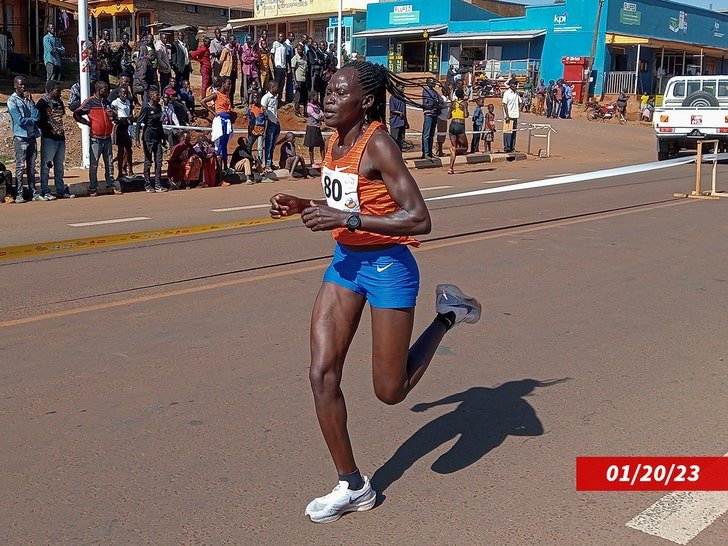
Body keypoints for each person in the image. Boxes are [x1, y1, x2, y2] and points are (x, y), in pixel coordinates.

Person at [267, 60, 481, 524]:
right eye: (327, 90)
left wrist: (347, 220)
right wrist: (304, 205)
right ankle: (352, 484)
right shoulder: (332, 140)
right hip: (345, 263)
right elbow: (349, 202)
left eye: (339, 92)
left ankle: (447, 314)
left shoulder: (378, 143)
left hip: (389, 268)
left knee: (390, 391)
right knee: (321, 374)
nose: (328, 98)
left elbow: (420, 219)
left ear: (363, 102)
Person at [74, 80, 122, 196]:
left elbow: (114, 115)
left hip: (107, 137)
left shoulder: (107, 102)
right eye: (104, 90)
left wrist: (113, 114)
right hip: (95, 138)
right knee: (94, 163)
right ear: (98, 90)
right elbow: (77, 113)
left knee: (109, 163)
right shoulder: (90, 102)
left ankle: (110, 184)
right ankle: (93, 187)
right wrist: (86, 122)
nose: (106, 92)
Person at [8, 76, 42, 203]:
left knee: (31, 166)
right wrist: (32, 120)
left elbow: (37, 116)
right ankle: (19, 193)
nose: (23, 87)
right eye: (21, 85)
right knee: (20, 166)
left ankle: (33, 192)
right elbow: (19, 120)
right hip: (20, 137)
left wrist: (32, 102)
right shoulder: (12, 101)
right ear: (15, 85)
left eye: (25, 85)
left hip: (32, 136)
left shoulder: (28, 99)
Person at [37, 80, 72, 199]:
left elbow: (61, 117)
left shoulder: (59, 102)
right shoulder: (42, 103)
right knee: (46, 165)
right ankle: (45, 190)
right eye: (58, 90)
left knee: (59, 165)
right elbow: (39, 121)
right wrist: (49, 130)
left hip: (60, 137)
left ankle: (60, 189)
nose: (60, 93)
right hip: (49, 139)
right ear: (50, 90)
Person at [135, 86, 166, 192]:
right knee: (148, 161)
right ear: (152, 97)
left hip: (157, 137)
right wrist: (137, 139)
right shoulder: (146, 108)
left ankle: (158, 184)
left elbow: (160, 124)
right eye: (157, 95)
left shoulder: (159, 107)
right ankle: (148, 184)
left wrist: (163, 137)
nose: (159, 97)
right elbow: (139, 123)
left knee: (159, 161)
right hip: (148, 138)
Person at [202, 77, 235, 171]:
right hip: (220, 121)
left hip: (227, 121)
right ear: (223, 84)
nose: (230, 86)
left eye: (231, 84)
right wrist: (213, 112)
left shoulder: (227, 95)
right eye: (228, 84)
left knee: (224, 145)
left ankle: (225, 167)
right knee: (219, 144)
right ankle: (217, 168)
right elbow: (203, 101)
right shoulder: (216, 94)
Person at [110, 85, 134, 179]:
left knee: (129, 150)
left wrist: (130, 117)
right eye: (123, 93)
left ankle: (130, 170)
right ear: (119, 93)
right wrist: (120, 118)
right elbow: (112, 114)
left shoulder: (128, 102)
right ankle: (120, 172)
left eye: (126, 93)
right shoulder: (115, 103)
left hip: (127, 126)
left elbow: (129, 112)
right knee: (120, 150)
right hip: (119, 127)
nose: (124, 95)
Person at [447, 87, 469, 174]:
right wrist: (464, 108)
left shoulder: (453, 103)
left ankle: (451, 168)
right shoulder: (464, 103)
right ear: (463, 95)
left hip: (452, 125)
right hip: (460, 125)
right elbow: (466, 115)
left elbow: (448, 116)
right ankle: (455, 149)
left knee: (453, 146)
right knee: (465, 148)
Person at [261, 81, 281, 173]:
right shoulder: (266, 98)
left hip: (276, 123)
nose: (278, 88)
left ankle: (271, 162)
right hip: (269, 124)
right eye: (276, 87)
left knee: (273, 145)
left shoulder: (275, 97)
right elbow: (263, 111)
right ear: (271, 88)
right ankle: (267, 165)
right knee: (268, 145)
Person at [421, 77, 440, 159]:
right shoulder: (426, 92)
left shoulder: (435, 92)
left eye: (434, 83)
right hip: (429, 114)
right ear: (428, 83)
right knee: (427, 135)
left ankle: (430, 152)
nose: (434, 84)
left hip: (434, 114)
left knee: (431, 134)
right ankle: (426, 153)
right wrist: (432, 108)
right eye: (432, 83)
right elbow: (426, 104)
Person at [246, 91, 266, 165]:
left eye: (257, 97)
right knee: (249, 145)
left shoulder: (262, 108)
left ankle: (259, 162)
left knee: (260, 148)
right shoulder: (250, 107)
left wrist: (265, 130)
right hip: (252, 130)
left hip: (261, 130)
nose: (256, 99)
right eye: (254, 97)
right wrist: (249, 130)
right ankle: (249, 160)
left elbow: (266, 120)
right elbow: (248, 119)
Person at [304, 95, 325, 168]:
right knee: (311, 146)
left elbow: (322, 115)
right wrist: (320, 115)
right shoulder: (309, 107)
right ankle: (312, 162)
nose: (317, 97)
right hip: (311, 127)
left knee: (322, 144)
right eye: (316, 96)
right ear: (312, 98)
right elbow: (317, 116)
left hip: (317, 127)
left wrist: (320, 115)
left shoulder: (317, 106)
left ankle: (323, 161)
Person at [190, 36, 212, 103]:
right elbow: (193, 54)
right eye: (208, 43)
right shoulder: (203, 49)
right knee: (205, 84)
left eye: (209, 43)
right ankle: (203, 99)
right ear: (205, 42)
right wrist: (199, 60)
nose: (209, 44)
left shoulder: (207, 48)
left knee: (209, 83)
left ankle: (208, 97)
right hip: (204, 68)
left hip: (208, 67)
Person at [239, 34, 259, 107]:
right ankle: (245, 101)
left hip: (252, 69)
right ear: (246, 40)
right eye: (249, 39)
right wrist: (252, 58)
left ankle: (252, 100)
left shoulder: (252, 48)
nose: (250, 41)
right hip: (246, 70)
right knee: (245, 86)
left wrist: (251, 57)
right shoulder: (243, 48)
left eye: (251, 39)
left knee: (254, 85)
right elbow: (244, 59)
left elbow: (256, 56)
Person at [502, 78, 520, 153]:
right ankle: (507, 147)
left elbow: (520, 102)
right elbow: (504, 104)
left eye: (516, 84)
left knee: (513, 133)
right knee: (507, 133)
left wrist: (520, 107)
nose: (515, 85)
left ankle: (512, 147)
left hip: (515, 115)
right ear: (510, 85)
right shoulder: (506, 93)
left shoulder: (516, 93)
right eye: (514, 84)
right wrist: (507, 115)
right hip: (509, 116)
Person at [219, 35, 239, 105]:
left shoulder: (234, 49)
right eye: (233, 40)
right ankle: (225, 103)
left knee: (232, 88)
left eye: (235, 40)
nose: (234, 41)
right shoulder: (226, 49)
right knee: (227, 88)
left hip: (233, 71)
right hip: (227, 72)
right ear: (229, 40)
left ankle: (231, 103)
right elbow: (221, 60)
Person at [389, 83, 408, 151]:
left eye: (404, 87)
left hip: (402, 122)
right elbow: (392, 109)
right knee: (394, 139)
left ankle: (400, 156)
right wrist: (400, 113)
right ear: (397, 87)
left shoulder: (402, 97)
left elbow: (404, 110)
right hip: (395, 122)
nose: (403, 89)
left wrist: (406, 122)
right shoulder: (393, 97)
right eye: (401, 87)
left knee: (401, 140)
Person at [291, 43, 308, 116]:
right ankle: (297, 111)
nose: (300, 51)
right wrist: (295, 81)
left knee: (305, 96)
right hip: (298, 79)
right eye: (298, 49)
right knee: (297, 96)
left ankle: (305, 111)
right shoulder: (295, 58)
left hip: (304, 79)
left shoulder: (304, 57)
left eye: (301, 49)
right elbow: (292, 70)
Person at [271, 32, 288, 104]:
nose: (281, 38)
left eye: (283, 37)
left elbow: (286, 56)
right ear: (278, 37)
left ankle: (280, 99)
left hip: (283, 67)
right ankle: (275, 100)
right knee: (276, 84)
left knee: (282, 84)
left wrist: (287, 67)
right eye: (280, 36)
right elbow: (272, 54)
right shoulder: (275, 44)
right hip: (277, 67)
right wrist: (274, 64)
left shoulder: (285, 45)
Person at [435, 84, 451, 158]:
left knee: (442, 134)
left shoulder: (446, 99)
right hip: (441, 118)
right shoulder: (443, 99)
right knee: (441, 134)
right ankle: (439, 151)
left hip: (443, 118)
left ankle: (439, 150)